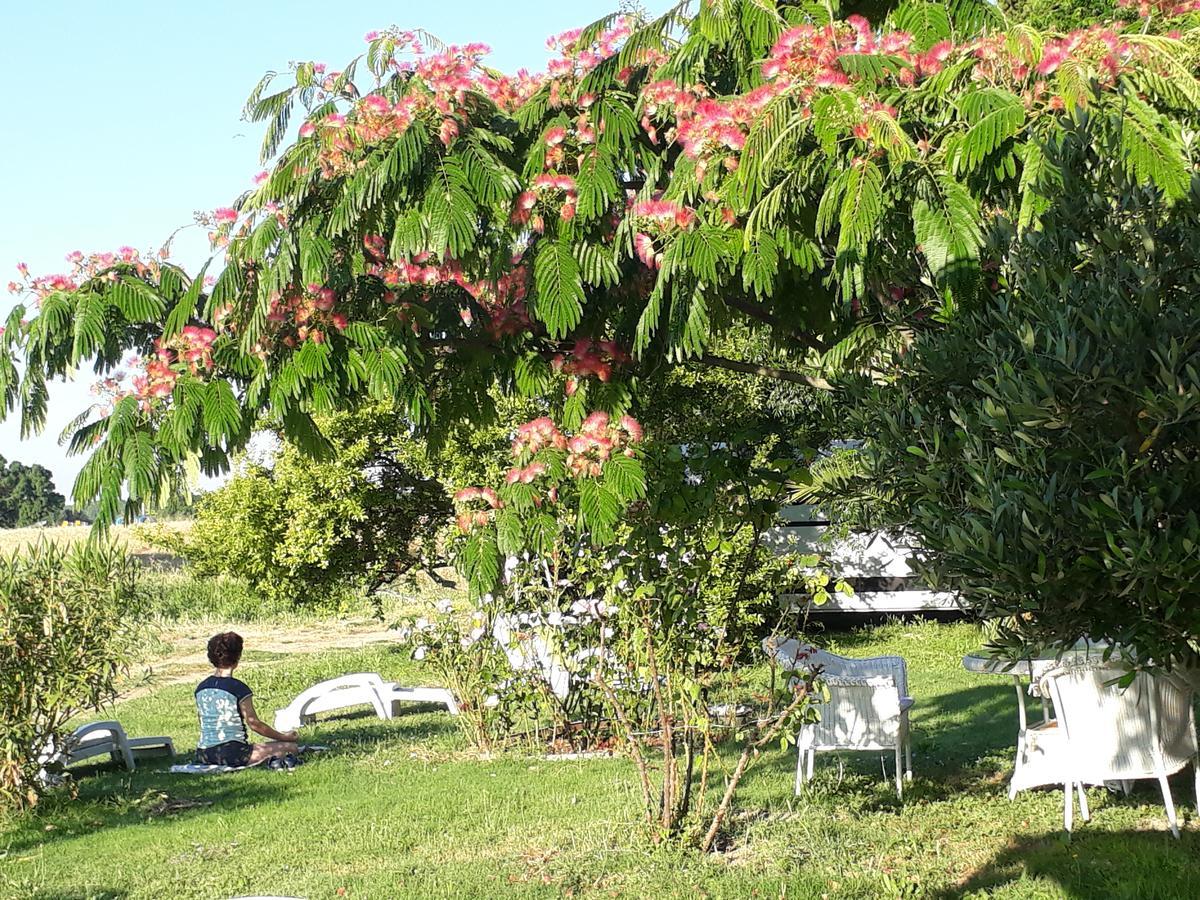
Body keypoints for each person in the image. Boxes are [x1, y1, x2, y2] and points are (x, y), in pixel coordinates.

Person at [194, 632, 299, 767]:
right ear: (237, 657)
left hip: (203, 753)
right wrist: (285, 737)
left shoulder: (201, 688)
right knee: (290, 747)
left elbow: (203, 721)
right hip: (232, 752)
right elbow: (254, 724)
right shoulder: (238, 688)